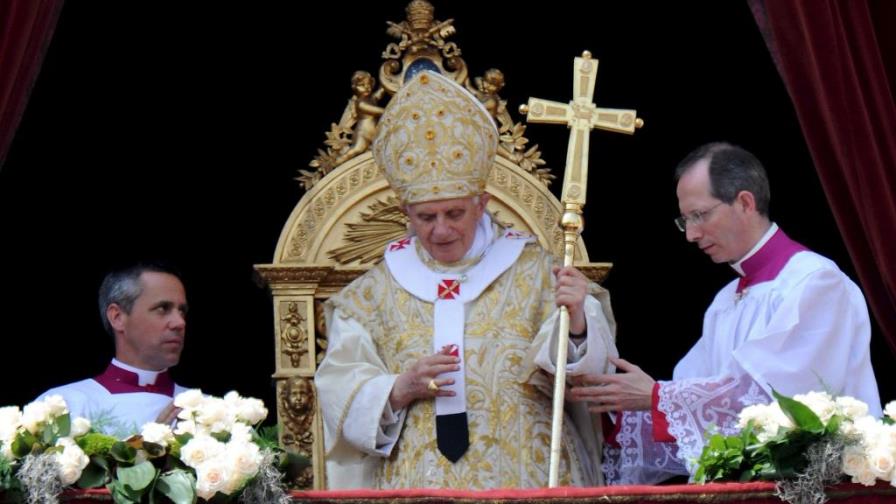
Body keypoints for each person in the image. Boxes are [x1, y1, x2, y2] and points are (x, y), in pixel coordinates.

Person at [315, 70, 619, 489]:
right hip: (417, 484)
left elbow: (584, 384)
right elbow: (339, 389)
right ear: (405, 212)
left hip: (526, 480)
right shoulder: (371, 295)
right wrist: (398, 388)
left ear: (482, 204)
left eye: (454, 213)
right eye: (426, 217)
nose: (440, 230)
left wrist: (580, 322)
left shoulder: (536, 272)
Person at [569, 142, 881, 484]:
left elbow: (776, 402)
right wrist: (616, 408)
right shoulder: (726, 300)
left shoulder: (815, 283)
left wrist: (658, 398)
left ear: (745, 202)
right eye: (684, 220)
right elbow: (699, 415)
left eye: (700, 215)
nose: (691, 234)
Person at [38, 262, 189, 438]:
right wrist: (145, 450)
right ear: (117, 317)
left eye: (182, 311)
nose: (180, 323)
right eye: (163, 309)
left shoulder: (208, 412)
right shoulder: (63, 405)